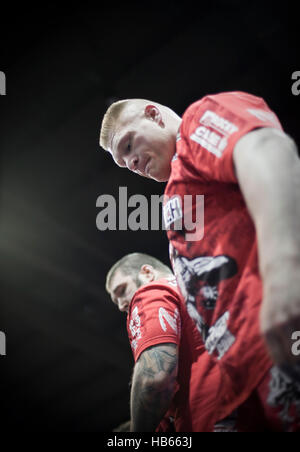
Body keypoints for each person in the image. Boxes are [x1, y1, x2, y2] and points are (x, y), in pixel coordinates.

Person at [100, 91, 300, 431]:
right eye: (123, 163)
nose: (131, 163)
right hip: (242, 375)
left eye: (129, 145)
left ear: (154, 115)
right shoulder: (174, 195)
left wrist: (284, 267)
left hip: (279, 334)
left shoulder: (197, 122)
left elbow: (269, 150)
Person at [106, 252, 231, 432]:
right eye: (115, 300)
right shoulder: (208, 287)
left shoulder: (153, 293)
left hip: (210, 418)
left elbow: (155, 377)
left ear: (147, 273)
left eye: (122, 290)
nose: (120, 305)